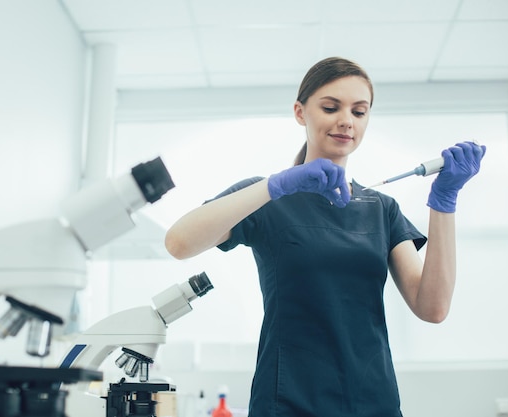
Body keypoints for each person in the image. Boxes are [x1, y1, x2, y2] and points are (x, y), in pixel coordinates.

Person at [164, 57, 486, 417]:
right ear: (301, 113)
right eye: (331, 107)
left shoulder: (382, 209)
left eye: (359, 111)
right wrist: (274, 186)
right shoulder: (267, 198)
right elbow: (179, 243)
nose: (346, 120)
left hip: (372, 402)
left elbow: (433, 307)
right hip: (288, 402)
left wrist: (444, 202)